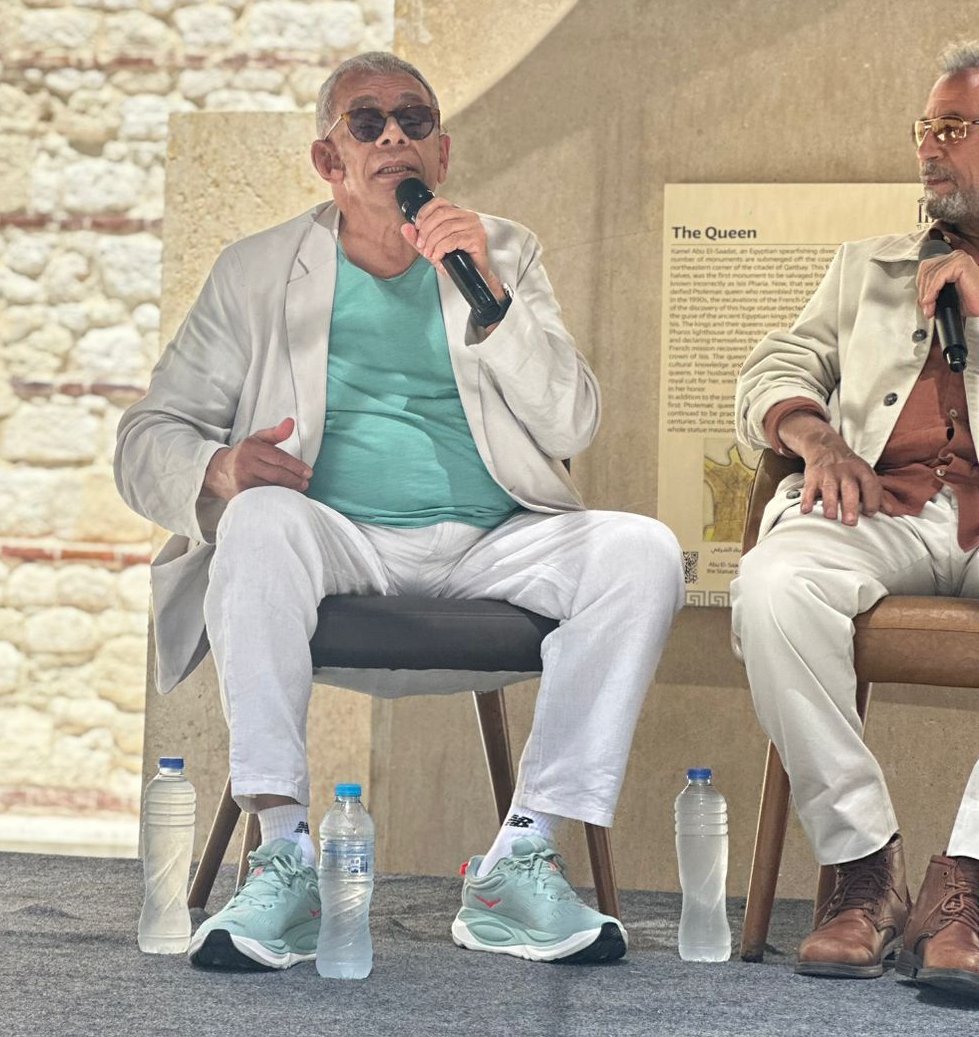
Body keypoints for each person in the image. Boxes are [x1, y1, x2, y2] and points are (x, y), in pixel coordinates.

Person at [116, 50, 683, 972]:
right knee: (256, 520)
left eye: (413, 121)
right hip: (336, 540)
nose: (392, 138)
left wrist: (492, 299)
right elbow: (145, 438)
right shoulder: (256, 271)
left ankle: (519, 857)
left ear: (441, 153)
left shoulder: (502, 252)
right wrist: (220, 466)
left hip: (495, 541)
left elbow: (571, 421)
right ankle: (286, 856)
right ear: (328, 160)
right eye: (367, 122)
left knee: (644, 551)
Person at [733, 39, 979, 998]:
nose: (928, 148)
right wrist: (816, 439)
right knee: (774, 583)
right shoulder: (865, 267)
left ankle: (966, 884)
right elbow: (774, 366)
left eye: (953, 128)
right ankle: (865, 868)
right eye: (926, 127)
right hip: (886, 508)